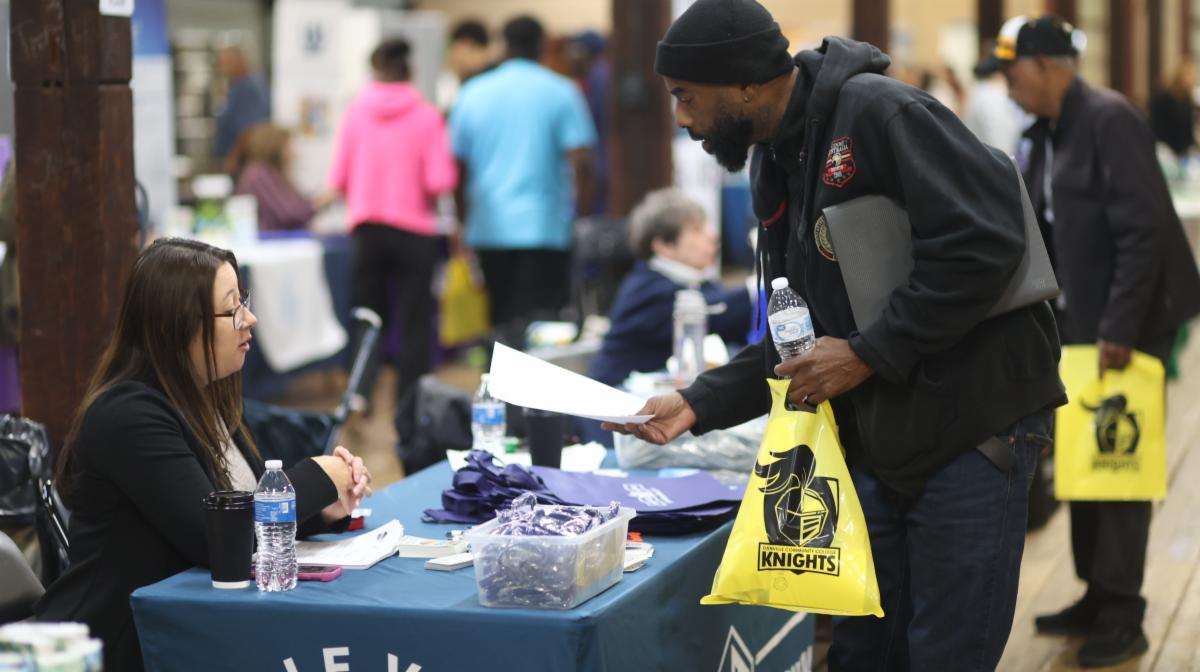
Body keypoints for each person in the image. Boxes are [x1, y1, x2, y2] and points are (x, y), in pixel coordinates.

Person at [605, 1, 1066, 669]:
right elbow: (801, 328)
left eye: (686, 97)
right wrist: (700, 401)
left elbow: (987, 242)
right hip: (883, 433)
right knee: (861, 648)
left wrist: (867, 352)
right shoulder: (775, 161)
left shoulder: (882, 114)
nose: (681, 118)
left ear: (743, 81)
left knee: (945, 653)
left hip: (975, 428)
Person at [34, 238, 372, 672]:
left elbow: (246, 508)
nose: (249, 319)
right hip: (117, 646)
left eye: (244, 301)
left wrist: (324, 510)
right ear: (176, 326)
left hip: (189, 629)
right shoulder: (127, 416)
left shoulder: (205, 400)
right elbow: (221, 538)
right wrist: (318, 477)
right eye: (232, 309)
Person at [980, 15, 1200, 666]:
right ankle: (1094, 592)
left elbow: (1144, 233)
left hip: (1127, 330)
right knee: (1082, 462)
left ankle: (1124, 611)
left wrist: (1119, 331)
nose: (1008, 90)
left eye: (1013, 75)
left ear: (1047, 67)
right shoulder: (1046, 133)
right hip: (1082, 330)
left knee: (1119, 465)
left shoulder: (1109, 120)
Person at [450, 15, 597, 348]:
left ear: (503, 45)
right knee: (541, 329)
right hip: (545, 228)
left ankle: (494, 394)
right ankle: (533, 399)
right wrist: (580, 216)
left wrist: (462, 220)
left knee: (498, 323)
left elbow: (457, 169)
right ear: (543, 46)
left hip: (489, 228)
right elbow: (584, 165)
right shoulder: (562, 91)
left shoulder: (472, 93)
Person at [327, 38, 457, 411]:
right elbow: (439, 182)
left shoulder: (355, 113)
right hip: (415, 231)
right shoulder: (427, 116)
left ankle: (359, 391)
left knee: (367, 313)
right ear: (410, 71)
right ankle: (410, 397)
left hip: (367, 229)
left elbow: (338, 177)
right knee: (415, 318)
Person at [588, 188, 753, 387]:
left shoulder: (700, 282)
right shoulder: (644, 290)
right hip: (617, 401)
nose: (713, 235)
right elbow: (718, 311)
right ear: (663, 245)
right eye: (697, 230)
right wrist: (756, 287)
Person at [233, 123, 316, 232]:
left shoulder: (273, 174)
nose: (293, 152)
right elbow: (289, 214)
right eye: (288, 146)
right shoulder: (259, 174)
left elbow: (297, 205)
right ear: (274, 147)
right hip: (271, 244)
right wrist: (319, 203)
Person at [214, 43, 271, 162]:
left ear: (239, 60)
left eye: (226, 63)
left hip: (243, 160)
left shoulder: (249, 87)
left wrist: (235, 156)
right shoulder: (237, 85)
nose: (223, 69)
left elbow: (250, 128)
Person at [1150, 61, 1197, 161]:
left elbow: (1188, 128)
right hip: (1165, 150)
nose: (1191, 79)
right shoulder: (1163, 98)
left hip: (1183, 151)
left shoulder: (1187, 99)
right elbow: (1157, 127)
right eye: (1188, 75)